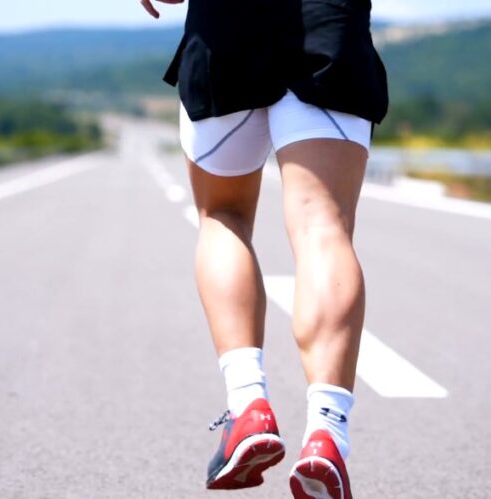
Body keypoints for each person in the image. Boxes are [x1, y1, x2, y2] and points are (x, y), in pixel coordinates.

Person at [141, 0, 389, 497]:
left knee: (223, 217)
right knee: (323, 225)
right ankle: (327, 433)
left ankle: (248, 405)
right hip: (328, 21)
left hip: (227, 27)